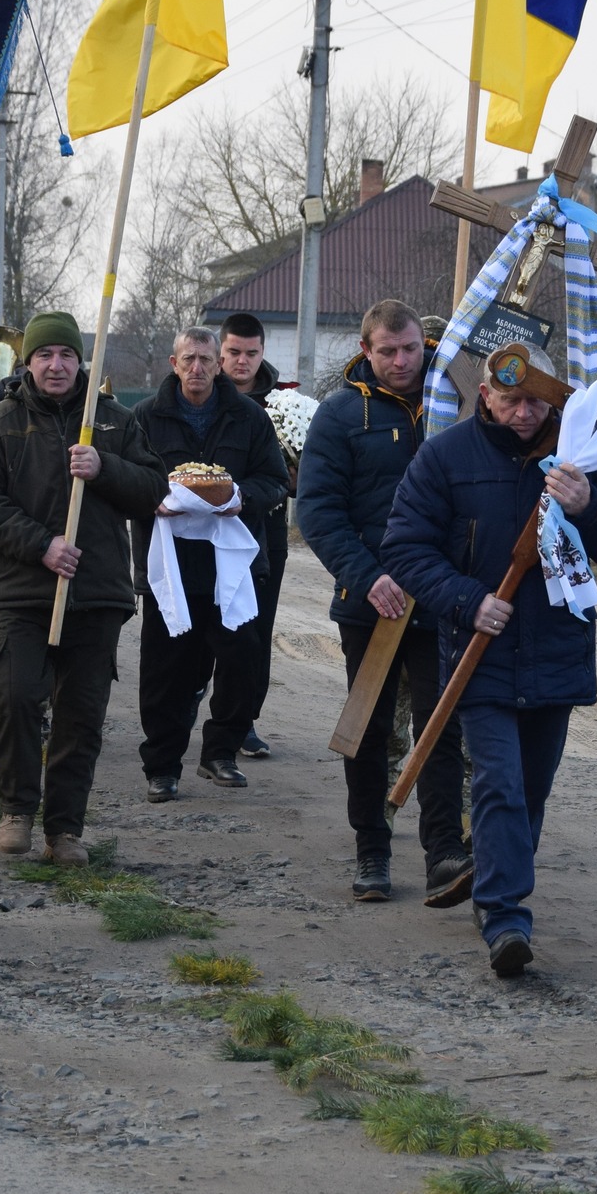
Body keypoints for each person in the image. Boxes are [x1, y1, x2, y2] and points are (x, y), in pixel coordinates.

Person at [383, 344, 597, 978]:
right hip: (480, 655)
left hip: (557, 652)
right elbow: (406, 547)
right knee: (497, 781)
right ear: (486, 395)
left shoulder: (584, 459)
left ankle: (493, 877)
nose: (524, 413)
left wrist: (589, 505)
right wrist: (468, 601)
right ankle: (504, 919)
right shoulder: (445, 457)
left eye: (536, 401)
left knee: (530, 794)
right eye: (511, 399)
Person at [0, 311, 168, 863]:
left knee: (81, 715)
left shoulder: (115, 423)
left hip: (96, 594)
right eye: (46, 355)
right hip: (19, 592)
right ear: (28, 361)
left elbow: (154, 491)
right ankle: (17, 808)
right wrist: (41, 545)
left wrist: (104, 468)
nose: (57, 365)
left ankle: (65, 829)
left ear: (82, 362)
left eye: (67, 356)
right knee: (16, 697)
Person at [296, 300, 473, 905]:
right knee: (367, 731)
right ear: (366, 352)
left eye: (411, 350)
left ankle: (444, 854)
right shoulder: (342, 415)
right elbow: (318, 510)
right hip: (372, 602)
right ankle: (371, 851)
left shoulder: (453, 407)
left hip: (440, 597)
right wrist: (367, 576)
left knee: (440, 728)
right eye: (388, 351)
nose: (402, 362)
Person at [130, 325, 289, 800]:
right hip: (171, 568)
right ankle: (162, 766)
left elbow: (275, 480)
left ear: (219, 364)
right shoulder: (145, 417)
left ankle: (220, 751)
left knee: (242, 662)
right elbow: (126, 481)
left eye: (205, 359)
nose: (197, 368)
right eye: (187, 360)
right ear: (173, 364)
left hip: (232, 567)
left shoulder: (248, 417)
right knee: (166, 672)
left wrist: (242, 496)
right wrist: (151, 500)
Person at [216, 311, 291, 759]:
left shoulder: (285, 403)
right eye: (233, 353)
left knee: (256, 629)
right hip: (204, 532)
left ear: (263, 353)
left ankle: (243, 721)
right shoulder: (201, 393)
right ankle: (191, 702)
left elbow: (293, 474)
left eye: (251, 353)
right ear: (220, 352)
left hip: (265, 531)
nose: (242, 362)